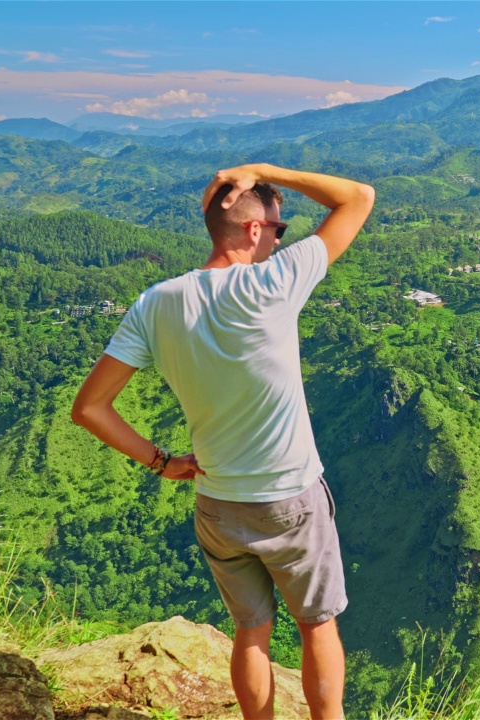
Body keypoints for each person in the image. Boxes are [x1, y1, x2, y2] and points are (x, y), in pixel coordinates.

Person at [71, 163, 375, 719]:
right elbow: (357, 198)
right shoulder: (273, 283)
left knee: (251, 632)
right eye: (280, 229)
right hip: (291, 499)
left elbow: (89, 408)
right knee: (317, 625)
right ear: (256, 231)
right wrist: (260, 169)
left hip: (217, 502)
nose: (283, 239)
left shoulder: (156, 304)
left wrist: (161, 461)